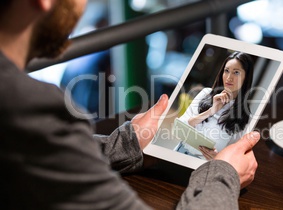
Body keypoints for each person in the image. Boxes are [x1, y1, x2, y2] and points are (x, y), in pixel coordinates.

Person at [0, 0, 259, 209]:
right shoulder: (26, 106)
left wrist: (125, 145)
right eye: (227, 71)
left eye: (236, 73)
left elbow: (48, 158)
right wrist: (224, 176)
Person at [178, 52, 254, 160]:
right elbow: (181, 125)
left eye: (236, 72)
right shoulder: (206, 93)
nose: (229, 78)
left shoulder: (244, 115)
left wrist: (218, 158)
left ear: (246, 77)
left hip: (204, 166)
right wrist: (210, 111)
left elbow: (234, 156)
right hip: (179, 151)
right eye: (226, 71)